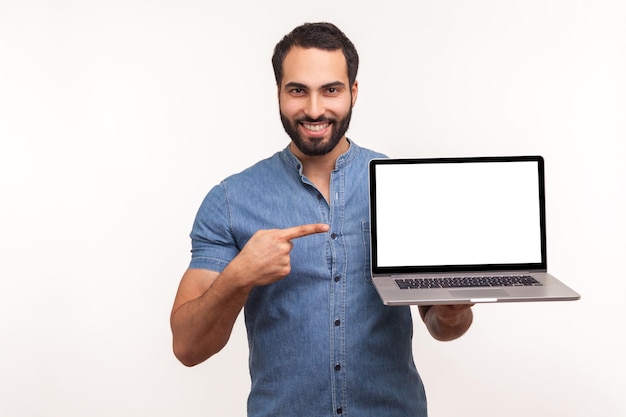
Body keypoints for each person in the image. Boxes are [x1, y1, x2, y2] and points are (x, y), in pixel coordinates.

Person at [170, 22, 474, 417]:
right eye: (298, 90)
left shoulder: (406, 188)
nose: (315, 110)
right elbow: (188, 348)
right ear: (278, 92)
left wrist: (454, 310)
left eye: (331, 90)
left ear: (354, 91)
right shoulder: (231, 201)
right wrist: (240, 274)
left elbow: (441, 326)